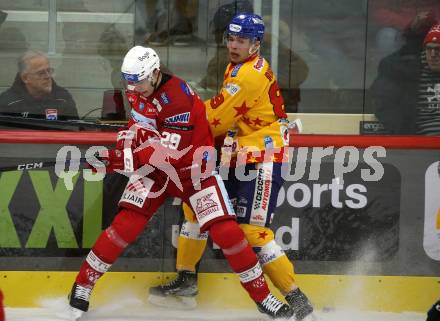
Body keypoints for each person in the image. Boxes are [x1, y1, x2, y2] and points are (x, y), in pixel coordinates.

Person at [67, 45, 294, 321]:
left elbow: (167, 156)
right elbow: (137, 126)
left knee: (228, 234)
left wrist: (115, 160)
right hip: (156, 170)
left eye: (137, 79)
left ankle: (264, 297)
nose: (132, 86)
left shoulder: (177, 100)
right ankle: (83, 284)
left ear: (154, 73)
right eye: (128, 79)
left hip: (192, 171)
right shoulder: (137, 87)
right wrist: (122, 145)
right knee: (124, 225)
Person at [147, 13, 314, 321]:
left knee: (252, 230)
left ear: (256, 44)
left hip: (264, 157)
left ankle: (296, 297)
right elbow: (220, 114)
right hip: (239, 154)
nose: (234, 46)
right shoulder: (236, 67)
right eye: (231, 39)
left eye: (242, 41)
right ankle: (187, 280)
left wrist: (173, 119)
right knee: (196, 209)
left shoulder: (248, 76)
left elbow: (215, 119)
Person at [371, 23, 440, 135]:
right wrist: (405, 135)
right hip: (419, 142)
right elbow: (384, 104)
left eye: (438, 50)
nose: (432, 55)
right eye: (429, 49)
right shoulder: (403, 70)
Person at [0, 51, 78, 120]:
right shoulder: (8, 102)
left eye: (49, 71)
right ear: (25, 78)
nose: (48, 76)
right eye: (41, 73)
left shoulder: (63, 98)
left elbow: (74, 130)